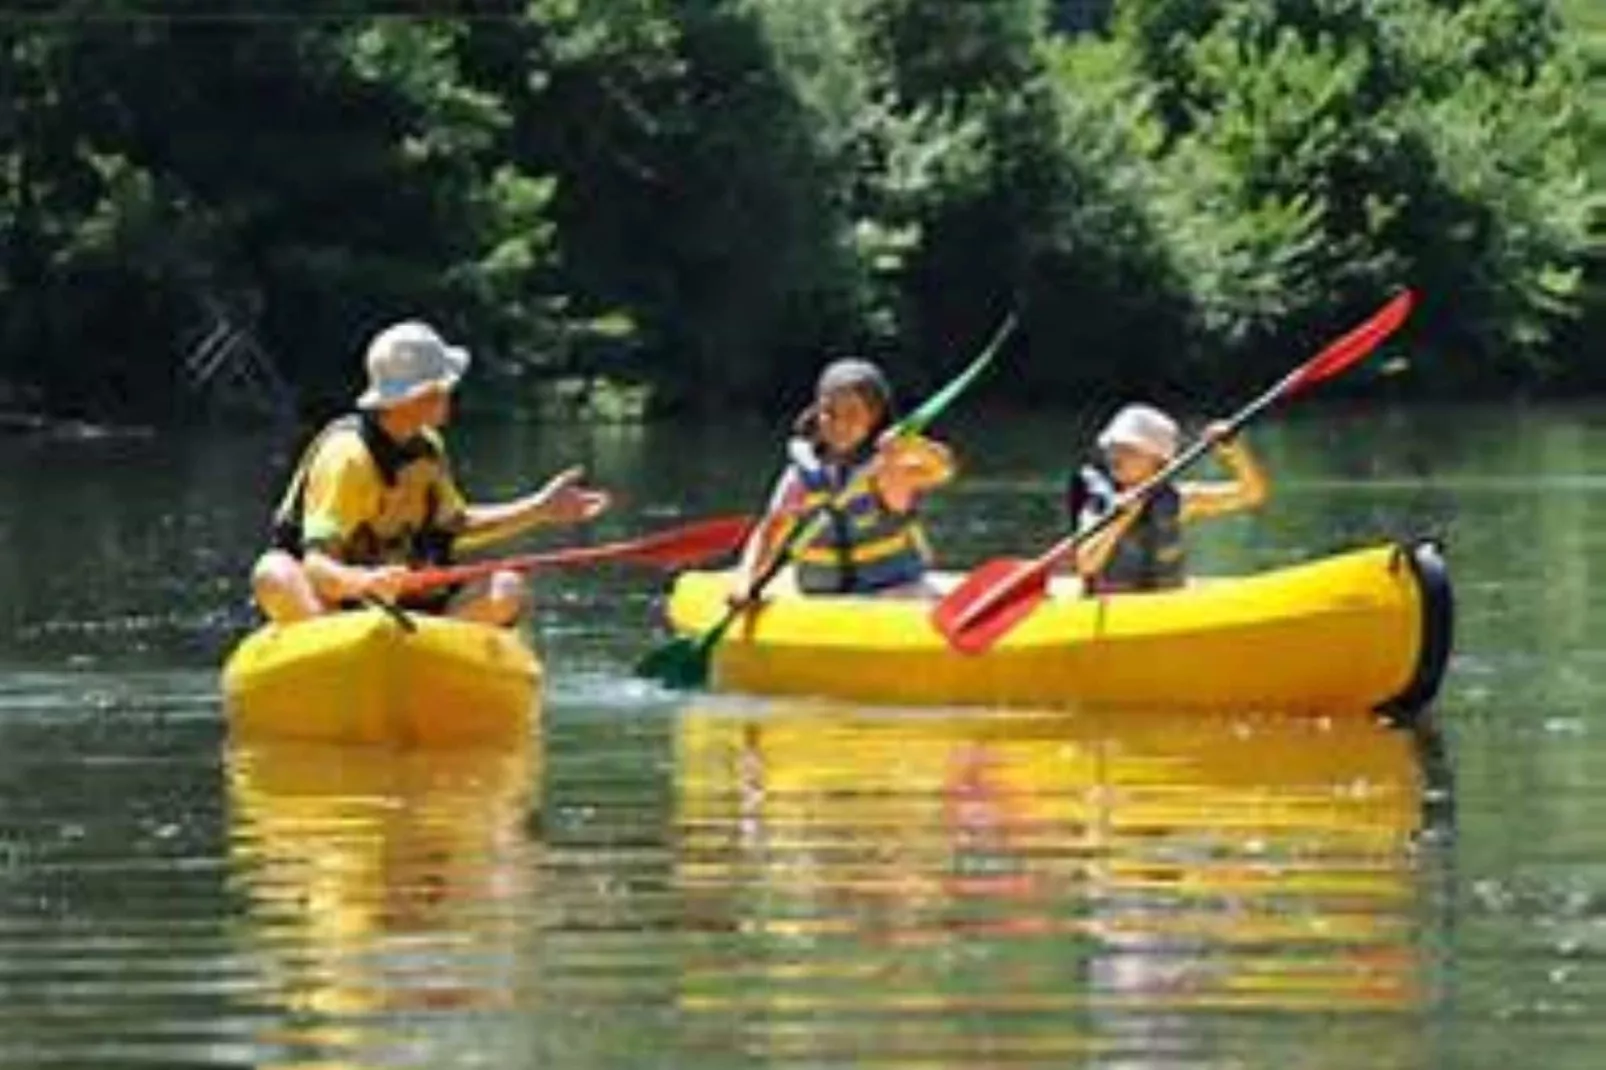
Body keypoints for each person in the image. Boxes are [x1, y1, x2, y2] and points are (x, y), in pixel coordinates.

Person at [251, 320, 610, 626]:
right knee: (274, 573)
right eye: (444, 387)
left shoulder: (426, 447)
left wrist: (540, 509)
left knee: (506, 588)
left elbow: (456, 526)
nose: (450, 393)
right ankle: (339, 656)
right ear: (420, 394)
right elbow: (316, 566)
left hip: (415, 610)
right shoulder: (348, 457)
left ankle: (424, 655)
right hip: (335, 611)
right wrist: (364, 582)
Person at [730, 358, 954, 602]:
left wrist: (911, 445)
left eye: (852, 413)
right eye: (829, 412)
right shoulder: (802, 476)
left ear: (874, 416)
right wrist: (746, 582)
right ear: (817, 412)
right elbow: (770, 533)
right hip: (823, 599)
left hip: (895, 592)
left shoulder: (888, 467)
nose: (840, 423)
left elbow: (941, 470)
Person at [1068, 403, 1268, 594]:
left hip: (1166, 603)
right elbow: (1086, 565)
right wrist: (1120, 519)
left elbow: (1251, 494)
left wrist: (1234, 452)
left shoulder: (1179, 500)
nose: (1116, 456)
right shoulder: (1100, 504)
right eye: (1113, 448)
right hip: (1116, 611)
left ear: (1158, 461)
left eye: (1129, 450)